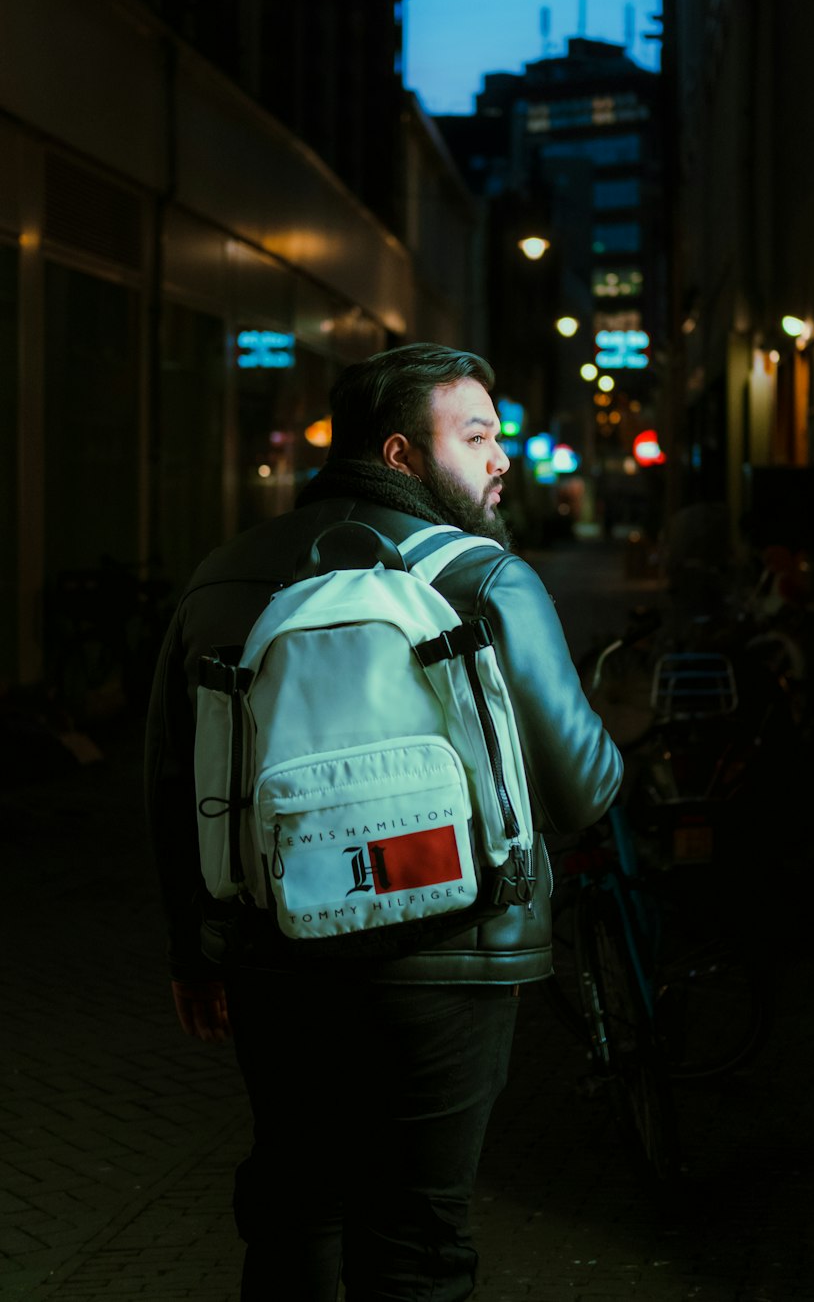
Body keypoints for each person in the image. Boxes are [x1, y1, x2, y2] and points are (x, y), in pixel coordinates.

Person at [144, 341, 622, 1302]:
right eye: (478, 435)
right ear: (402, 455)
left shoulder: (224, 576)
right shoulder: (487, 578)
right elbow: (581, 791)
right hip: (452, 959)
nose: (501, 459)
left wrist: (196, 953)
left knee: (294, 1211)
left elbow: (170, 781)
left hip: (274, 954)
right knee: (417, 1232)